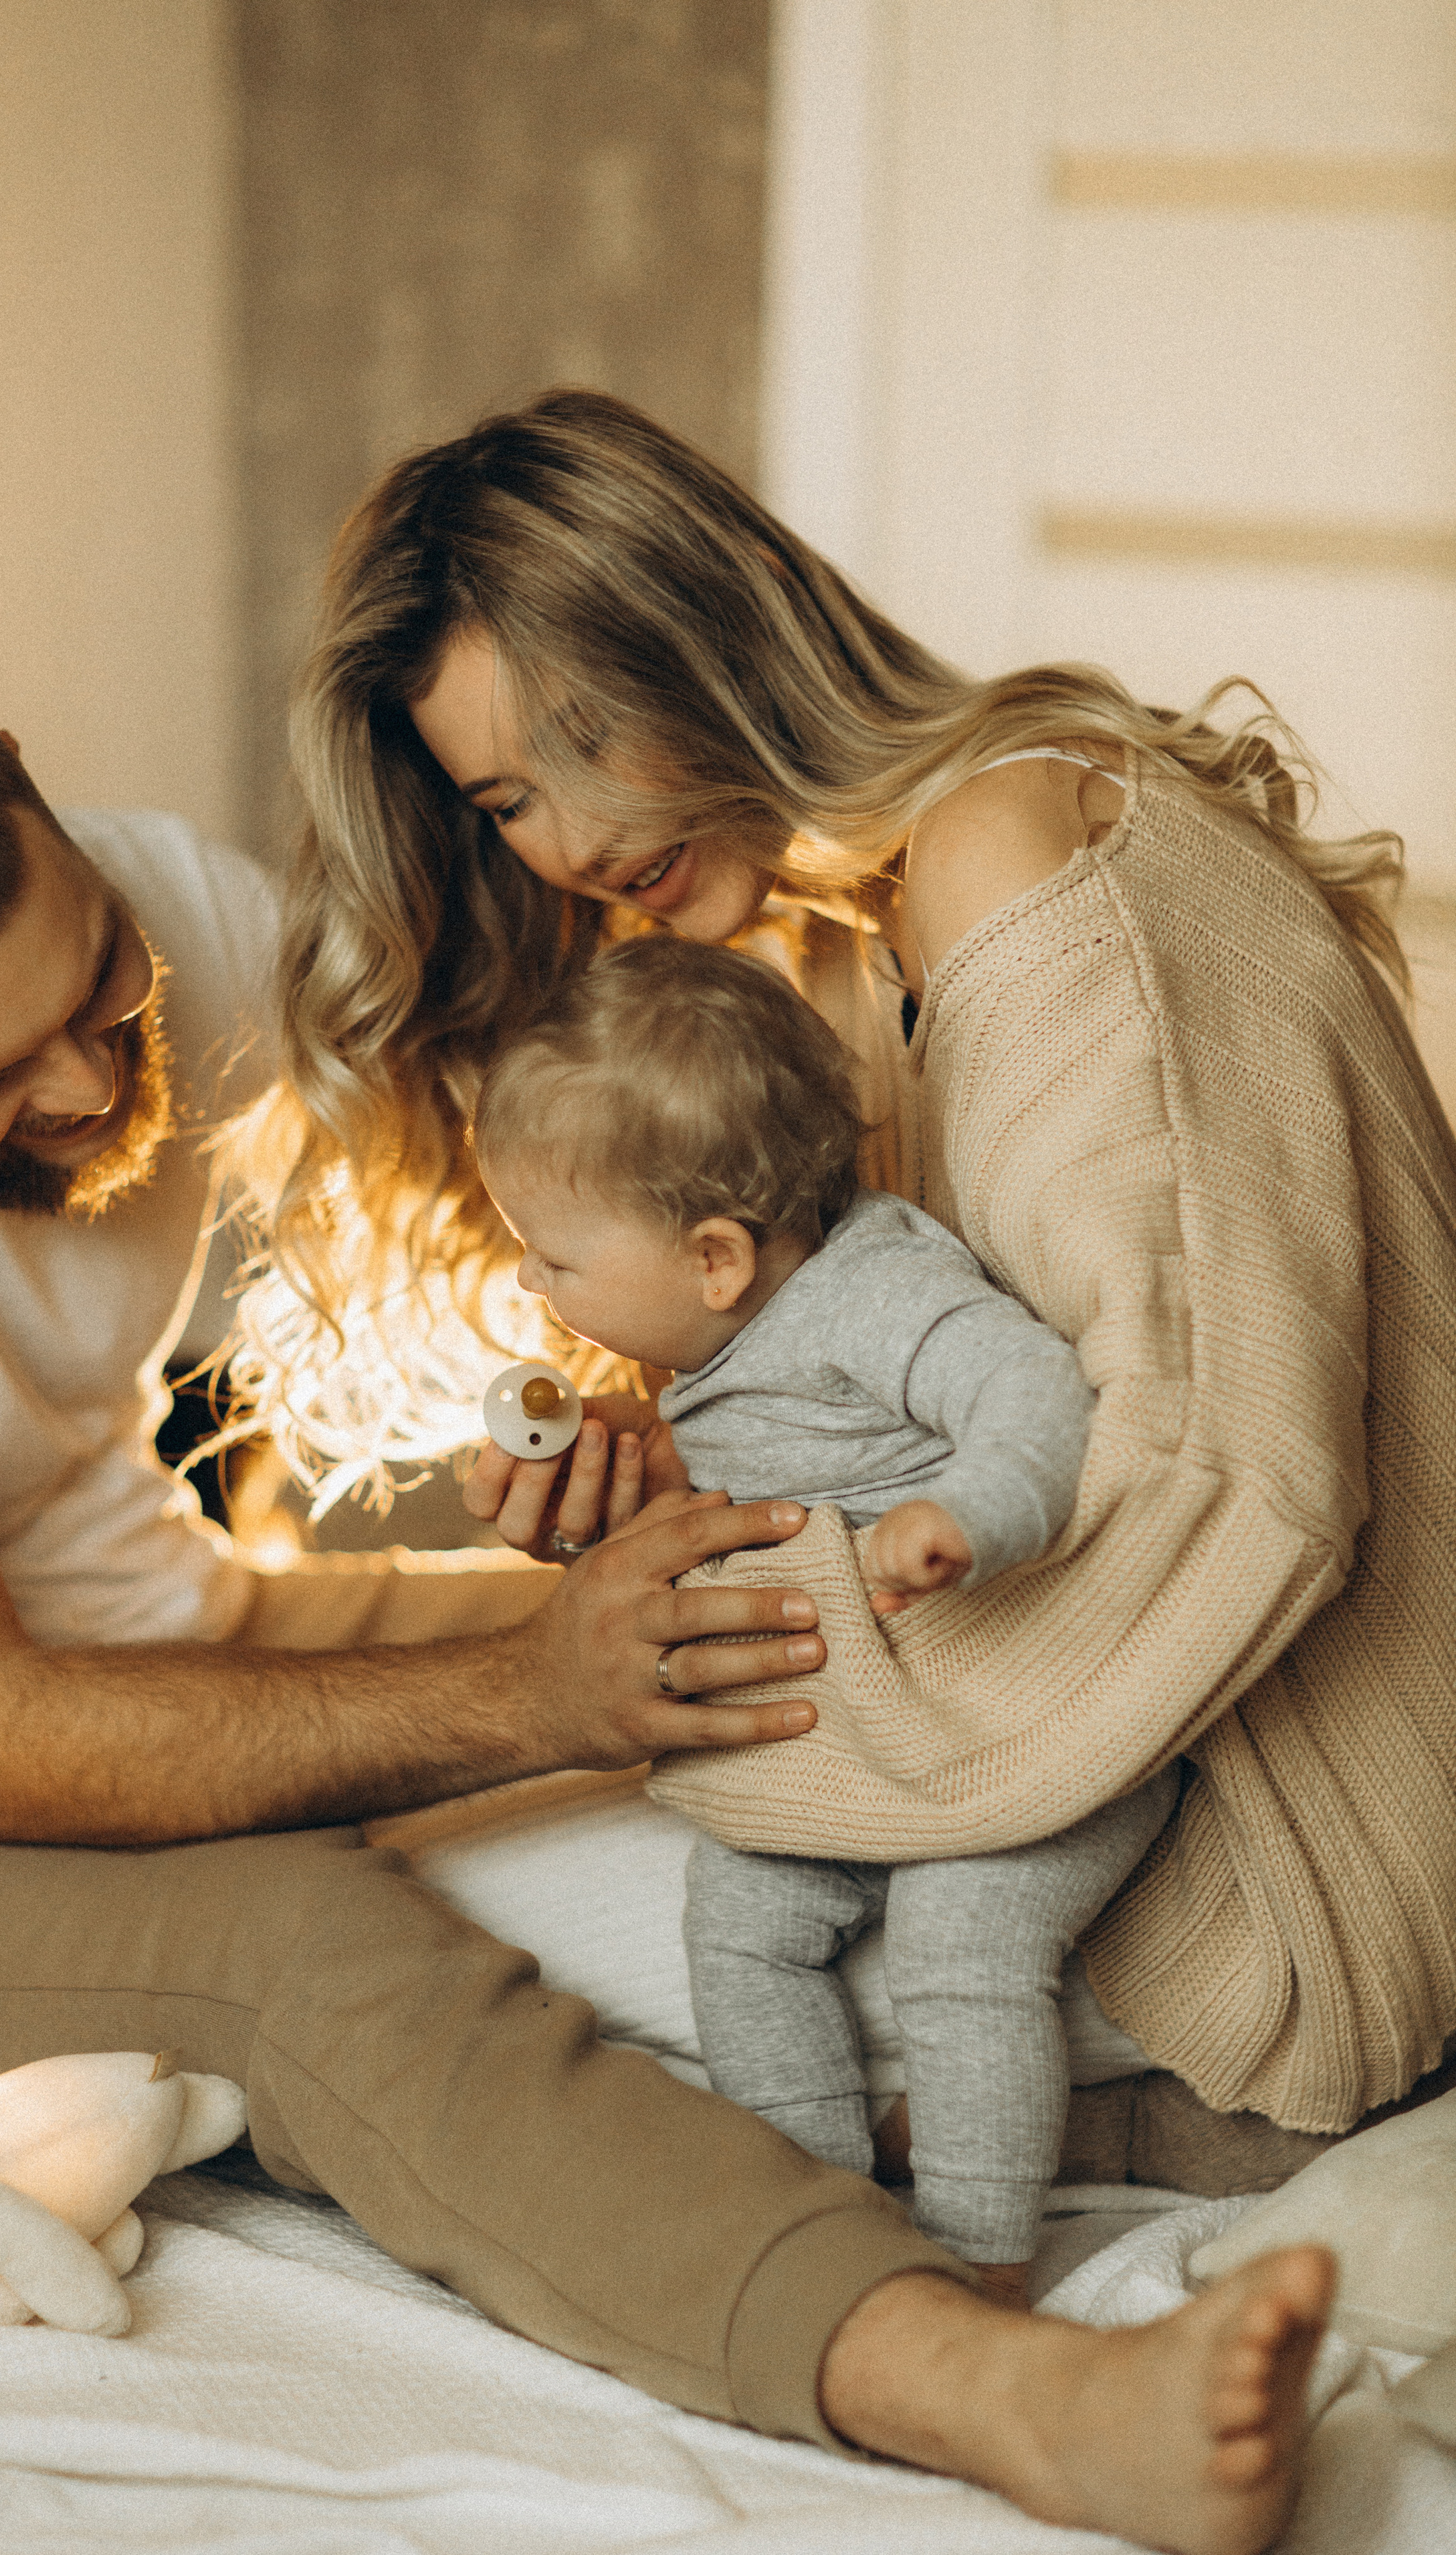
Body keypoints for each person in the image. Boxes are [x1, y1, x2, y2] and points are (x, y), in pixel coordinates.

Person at [0, 646, 1331, 2555]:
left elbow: (600, 1135)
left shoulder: (174, 913)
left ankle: (1214, 2035)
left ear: (34, 786)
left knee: (761, 1667)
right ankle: (1003, 2392)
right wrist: (533, 1698)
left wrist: (610, 1442)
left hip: (179, 1624)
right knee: (303, 1944)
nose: (90, 1080)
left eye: (94, 987)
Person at [472, 934, 1179, 2300]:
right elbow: (786, 1480)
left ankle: (975, 2262)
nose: (527, 1285)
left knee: (962, 1939)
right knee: (737, 1915)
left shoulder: (873, 1290)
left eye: (549, 1256)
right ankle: (810, 2202)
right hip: (875, 1739)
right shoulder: (722, 1349)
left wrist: (966, 1515)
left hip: (1030, 1723)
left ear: (716, 1257)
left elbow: (1026, 1388)